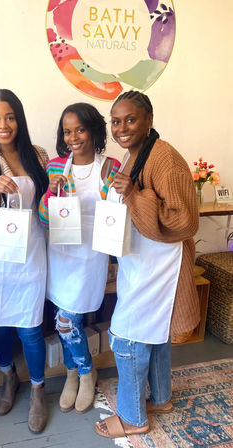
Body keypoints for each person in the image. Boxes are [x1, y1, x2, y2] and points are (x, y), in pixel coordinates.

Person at [94, 91, 200, 439]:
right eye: (116, 121)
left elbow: (185, 221)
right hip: (141, 262)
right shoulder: (134, 155)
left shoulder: (164, 158)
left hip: (160, 265)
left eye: (130, 119)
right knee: (153, 334)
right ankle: (163, 399)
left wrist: (133, 193)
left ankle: (132, 417)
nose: (121, 127)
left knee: (128, 336)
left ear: (149, 120)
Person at [0, 89, 49, 433]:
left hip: (31, 249)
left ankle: (37, 390)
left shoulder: (38, 155)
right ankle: (8, 378)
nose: (3, 125)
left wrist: (59, 191)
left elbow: (47, 209)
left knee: (31, 327)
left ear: (19, 119)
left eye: (10, 117)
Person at [39, 103, 121, 414]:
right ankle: (73, 374)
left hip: (90, 257)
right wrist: (50, 192)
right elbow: (45, 219)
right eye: (67, 131)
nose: (73, 137)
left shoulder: (111, 168)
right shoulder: (56, 166)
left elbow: (119, 213)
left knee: (64, 321)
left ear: (94, 131)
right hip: (60, 254)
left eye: (80, 129)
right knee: (63, 320)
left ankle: (85, 372)